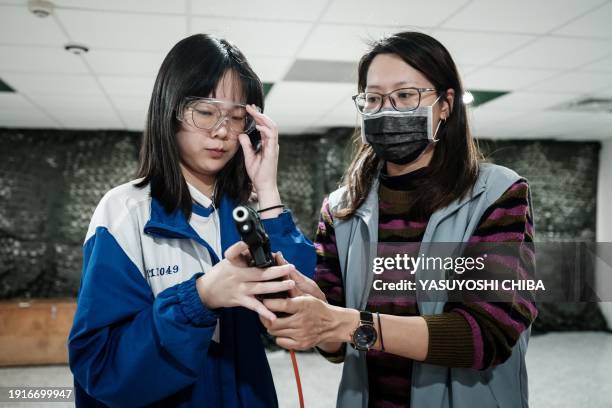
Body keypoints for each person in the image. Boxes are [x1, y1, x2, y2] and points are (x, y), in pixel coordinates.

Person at [261, 32, 537, 407]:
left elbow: (487, 333)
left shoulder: (498, 194)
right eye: (373, 99)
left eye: (405, 96)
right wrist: (314, 315)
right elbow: (336, 346)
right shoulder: (342, 209)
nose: (387, 110)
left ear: (445, 104)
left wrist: (346, 322)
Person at [67, 34, 316, 407]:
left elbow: (301, 303)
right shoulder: (125, 211)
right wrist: (199, 299)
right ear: (170, 109)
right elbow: (101, 367)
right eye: (205, 112)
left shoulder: (245, 211)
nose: (222, 132)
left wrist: (267, 191)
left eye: (236, 118)